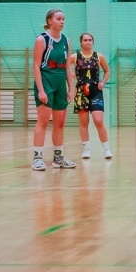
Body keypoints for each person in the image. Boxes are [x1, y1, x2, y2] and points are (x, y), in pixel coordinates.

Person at [32, 9, 76, 170]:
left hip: (60, 84)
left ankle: (58, 158)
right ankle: (37, 158)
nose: (62, 21)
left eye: (63, 19)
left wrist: (71, 89)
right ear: (50, 21)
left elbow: (67, 67)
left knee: (60, 123)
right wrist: (41, 90)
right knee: (43, 121)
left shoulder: (66, 41)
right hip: (46, 82)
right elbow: (36, 67)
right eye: (58, 18)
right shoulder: (42, 39)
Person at [69, 33, 112, 160]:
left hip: (95, 91)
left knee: (98, 120)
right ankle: (86, 150)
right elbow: (64, 67)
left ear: (93, 42)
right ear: (81, 42)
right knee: (84, 122)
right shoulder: (75, 56)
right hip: (81, 92)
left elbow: (107, 71)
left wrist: (103, 82)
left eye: (90, 40)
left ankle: (106, 149)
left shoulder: (98, 56)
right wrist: (73, 76)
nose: (88, 42)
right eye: (85, 40)